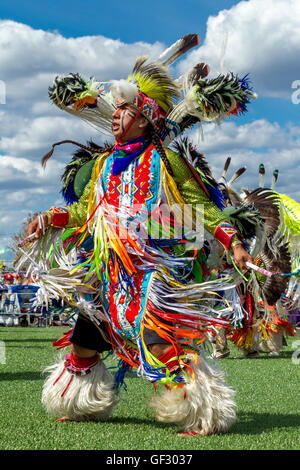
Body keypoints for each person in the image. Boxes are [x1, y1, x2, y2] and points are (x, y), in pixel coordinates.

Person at [20, 35, 259, 435]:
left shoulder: (166, 162)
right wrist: (51, 218)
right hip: (107, 271)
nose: (114, 116)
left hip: (152, 272)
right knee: (84, 341)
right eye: (115, 110)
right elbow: (84, 211)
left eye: (125, 110)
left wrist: (232, 242)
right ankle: (82, 403)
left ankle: (202, 412)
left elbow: (203, 208)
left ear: (146, 117)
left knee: (162, 344)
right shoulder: (103, 165)